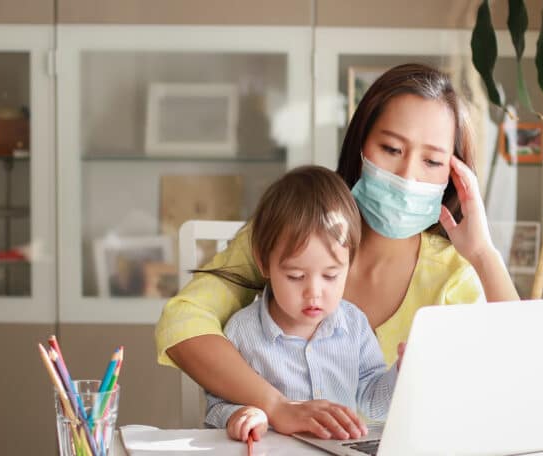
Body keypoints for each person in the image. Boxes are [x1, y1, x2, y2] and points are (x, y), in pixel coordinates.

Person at [155, 63, 519, 440]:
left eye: (432, 161)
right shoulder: (287, 231)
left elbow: (519, 378)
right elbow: (182, 323)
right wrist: (276, 407)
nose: (408, 176)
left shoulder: (452, 273)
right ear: (360, 145)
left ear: (454, 176)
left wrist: (483, 254)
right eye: (392, 148)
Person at [202, 166, 400, 443]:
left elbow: (372, 402)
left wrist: (402, 371)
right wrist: (242, 414)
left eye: (331, 275)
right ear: (263, 262)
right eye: (295, 276)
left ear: (349, 264)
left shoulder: (354, 324)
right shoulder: (242, 331)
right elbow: (216, 407)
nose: (314, 293)